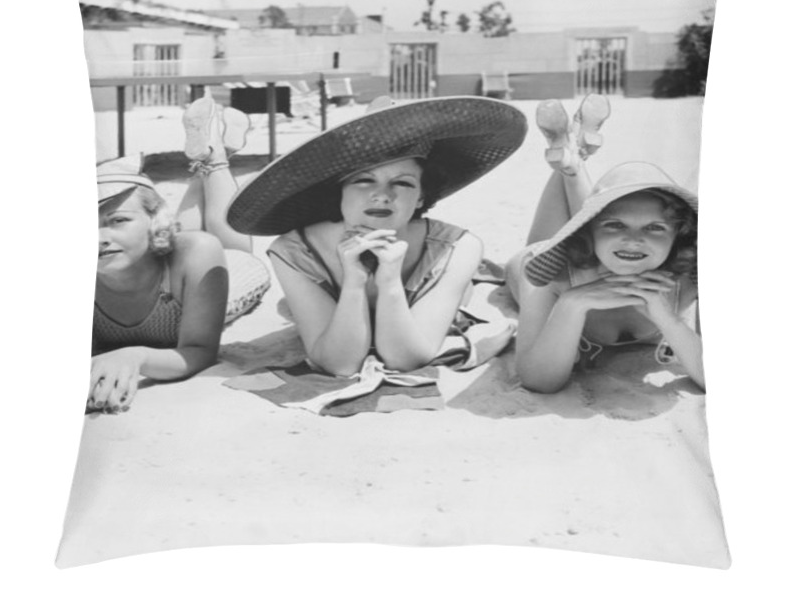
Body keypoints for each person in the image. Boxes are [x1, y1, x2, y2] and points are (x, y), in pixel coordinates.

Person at [227, 95, 527, 378]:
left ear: (422, 197)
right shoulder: (295, 251)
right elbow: (340, 365)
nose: (382, 196)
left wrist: (390, 282)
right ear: (338, 191)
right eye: (363, 180)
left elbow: (407, 359)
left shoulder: (457, 248)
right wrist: (354, 282)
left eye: (403, 183)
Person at [505, 94, 703, 393]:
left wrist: (667, 318)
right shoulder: (550, 275)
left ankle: (573, 159)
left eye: (655, 227)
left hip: (594, 245)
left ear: (679, 236)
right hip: (541, 264)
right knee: (581, 225)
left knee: (604, 213)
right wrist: (572, 303)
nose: (635, 239)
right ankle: (574, 160)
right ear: (584, 233)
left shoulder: (690, 280)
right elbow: (538, 380)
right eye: (616, 226)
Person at [91, 91, 270, 413]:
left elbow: (199, 351)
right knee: (189, 238)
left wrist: (137, 355)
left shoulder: (197, 251)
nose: (98, 238)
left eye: (117, 220)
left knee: (227, 243)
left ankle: (216, 159)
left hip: (227, 277)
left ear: (156, 221)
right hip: (170, 258)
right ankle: (207, 154)